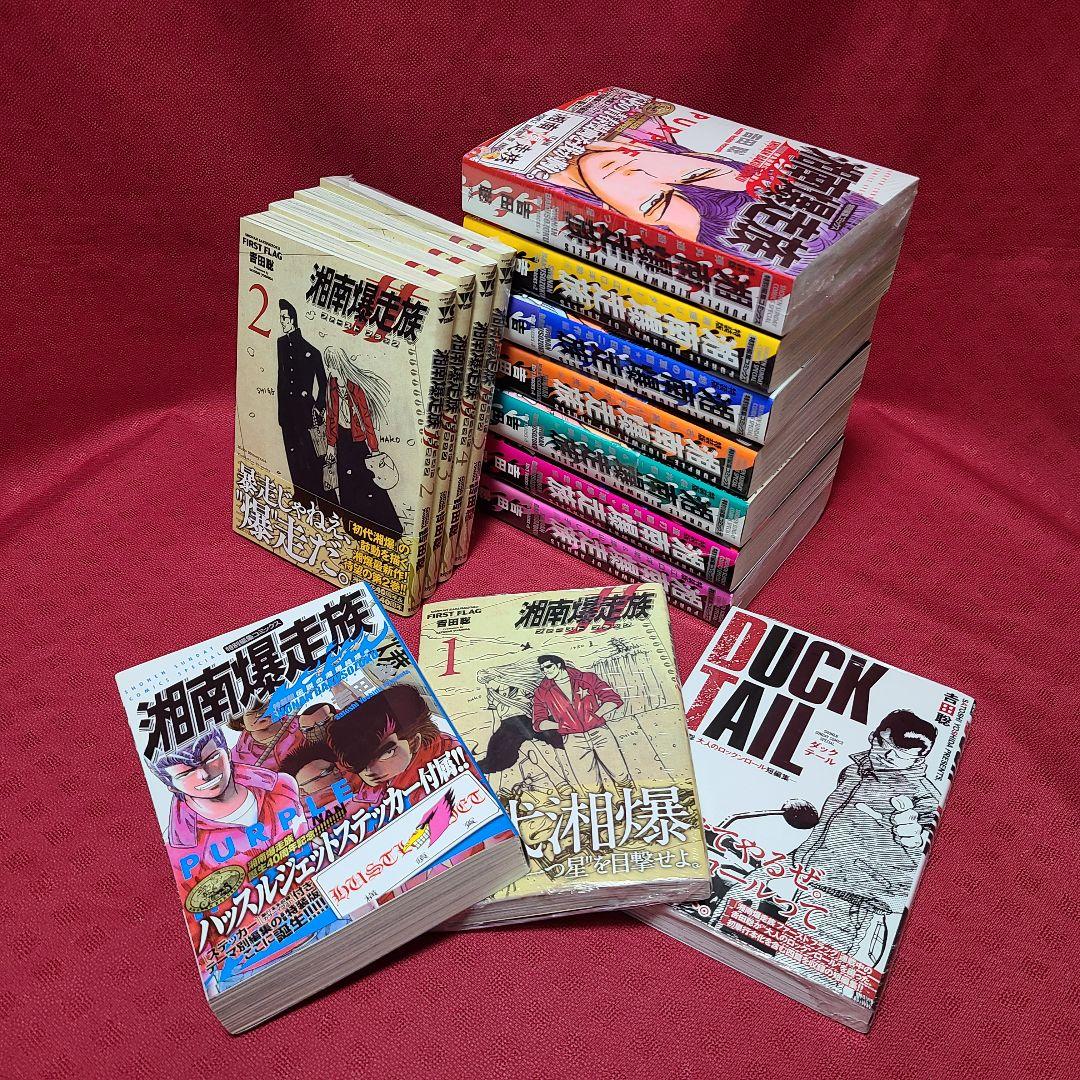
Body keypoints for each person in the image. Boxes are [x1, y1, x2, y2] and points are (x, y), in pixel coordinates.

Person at [150, 728, 305, 910]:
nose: (204, 775)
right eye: (185, 773)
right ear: (171, 786)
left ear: (227, 753)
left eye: (211, 758)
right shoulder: (178, 852)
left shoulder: (281, 786)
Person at [327, 683, 459, 805]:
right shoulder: (356, 770)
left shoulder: (446, 751)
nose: (369, 771)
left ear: (414, 742)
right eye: (359, 764)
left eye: (386, 753)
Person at [322, 344, 402, 537]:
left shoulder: (356, 389)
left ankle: (388, 528)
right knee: (347, 485)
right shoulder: (331, 387)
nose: (329, 370)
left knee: (369, 483)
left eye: (331, 366)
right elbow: (331, 418)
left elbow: (367, 421)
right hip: (342, 441)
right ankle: (353, 526)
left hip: (358, 442)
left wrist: (374, 449)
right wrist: (331, 445)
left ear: (338, 365)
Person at [531, 655, 633, 791]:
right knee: (590, 785)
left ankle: (631, 798)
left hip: (599, 731)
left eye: (548, 666)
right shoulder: (542, 691)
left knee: (620, 774)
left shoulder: (587, 678)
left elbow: (613, 699)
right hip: (572, 739)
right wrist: (561, 725)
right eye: (542, 669)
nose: (545, 671)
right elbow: (538, 723)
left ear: (559, 664)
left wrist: (596, 715)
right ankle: (600, 804)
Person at [277, 298, 327, 496]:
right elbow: (281, 379)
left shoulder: (312, 352)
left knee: (310, 456)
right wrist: (280, 412)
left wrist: (318, 407)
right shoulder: (281, 344)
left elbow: (323, 383)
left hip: (306, 411)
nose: (281, 321)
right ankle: (301, 497)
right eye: (281, 318)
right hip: (287, 411)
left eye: (284, 318)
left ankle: (319, 498)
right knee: (293, 454)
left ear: (293, 319)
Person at [228, 700, 304, 771]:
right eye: (252, 712)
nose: (264, 714)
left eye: (267, 707)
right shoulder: (236, 757)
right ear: (241, 724)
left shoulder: (302, 724)